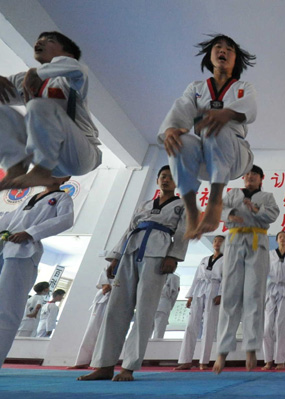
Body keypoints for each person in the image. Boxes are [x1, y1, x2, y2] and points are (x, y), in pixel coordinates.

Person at [78, 165, 188, 382]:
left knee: (145, 311)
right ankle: (104, 365)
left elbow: (184, 233)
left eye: (171, 177)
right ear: (157, 180)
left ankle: (129, 366)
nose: (166, 180)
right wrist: (116, 256)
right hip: (131, 250)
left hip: (157, 254)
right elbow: (129, 229)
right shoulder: (145, 205)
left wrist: (173, 256)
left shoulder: (183, 206)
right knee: (115, 309)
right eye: (163, 176)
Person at [158, 34, 256, 240]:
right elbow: (182, 108)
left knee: (216, 125)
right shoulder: (196, 88)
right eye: (218, 48)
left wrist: (226, 114)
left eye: (229, 49)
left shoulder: (242, 87)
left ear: (236, 59)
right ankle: (191, 208)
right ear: (210, 56)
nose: (223, 51)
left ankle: (215, 200)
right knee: (181, 141)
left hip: (235, 157)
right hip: (204, 160)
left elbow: (250, 109)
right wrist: (171, 130)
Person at [0, 32, 101, 191]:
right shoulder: (22, 80)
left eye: (49, 41)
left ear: (68, 54)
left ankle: (41, 170)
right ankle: (16, 164)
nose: (38, 44)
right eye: (38, 41)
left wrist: (37, 72)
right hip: (48, 158)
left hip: (80, 155)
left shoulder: (70, 78)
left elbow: (77, 68)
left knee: (38, 106)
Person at [0, 176, 73, 368]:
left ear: (66, 177)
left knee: (8, 309)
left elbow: (66, 220)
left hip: (23, 251)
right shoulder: (30, 197)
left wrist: (30, 232)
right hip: (5, 247)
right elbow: (8, 219)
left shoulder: (62, 198)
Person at [212, 165, 280, 374]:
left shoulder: (267, 197)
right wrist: (230, 214)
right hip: (234, 241)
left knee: (254, 295)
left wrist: (256, 210)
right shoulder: (233, 194)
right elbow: (217, 209)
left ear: (261, 178)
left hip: (257, 242)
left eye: (254, 174)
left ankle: (251, 348)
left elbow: (273, 215)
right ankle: (222, 351)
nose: (250, 177)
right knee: (230, 295)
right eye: (247, 174)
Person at [174, 235, 224, 371]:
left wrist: (220, 293)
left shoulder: (226, 260)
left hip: (214, 289)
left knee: (209, 325)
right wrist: (190, 296)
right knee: (191, 325)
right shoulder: (204, 260)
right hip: (199, 290)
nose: (217, 243)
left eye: (220, 241)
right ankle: (185, 360)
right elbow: (196, 278)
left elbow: (226, 279)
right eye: (215, 241)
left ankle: (204, 361)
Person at [262, 230, 285, 371]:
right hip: (271, 290)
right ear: (277, 240)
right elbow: (264, 270)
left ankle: (280, 360)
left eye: (284, 237)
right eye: (280, 237)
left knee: (280, 326)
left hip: (284, 289)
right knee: (267, 328)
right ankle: (268, 360)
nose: (282, 239)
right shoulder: (271, 254)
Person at [69, 268, 113, 369]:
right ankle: (83, 361)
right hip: (103, 298)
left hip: (118, 298)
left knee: (108, 333)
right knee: (92, 331)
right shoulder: (109, 264)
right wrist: (106, 285)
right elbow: (104, 283)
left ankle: (101, 362)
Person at [152, 273, 180, 339]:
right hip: (164, 304)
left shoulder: (153, 274)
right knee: (159, 331)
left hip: (151, 304)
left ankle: (145, 348)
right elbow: (175, 294)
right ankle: (156, 347)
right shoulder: (174, 277)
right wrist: (170, 306)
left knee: (147, 332)